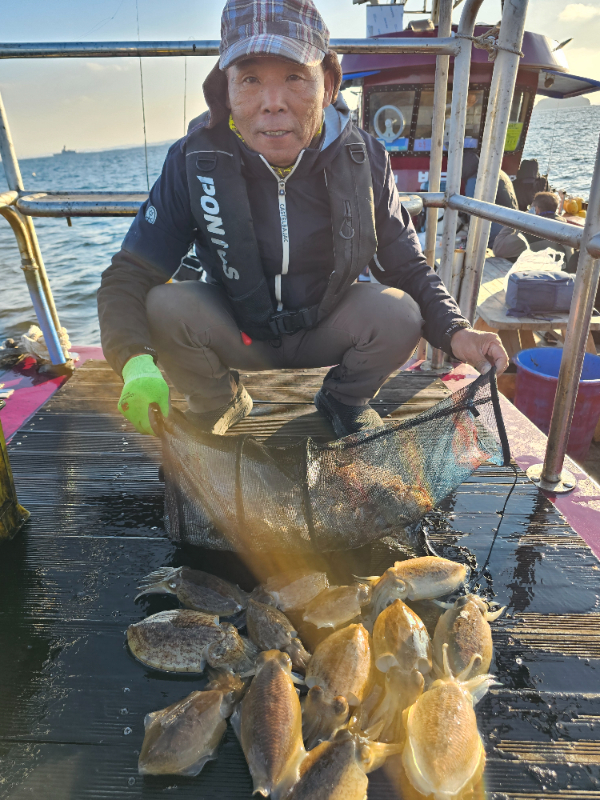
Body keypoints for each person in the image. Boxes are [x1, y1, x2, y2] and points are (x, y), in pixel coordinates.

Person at [97, 0, 508, 440]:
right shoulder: (192, 159)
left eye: (295, 77)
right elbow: (129, 274)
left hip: (326, 327)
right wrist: (135, 363)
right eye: (250, 79)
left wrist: (457, 331)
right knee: (162, 304)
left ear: (328, 84)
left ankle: (345, 398)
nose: (273, 103)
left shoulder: (366, 158)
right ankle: (217, 399)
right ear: (224, 90)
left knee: (400, 313)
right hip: (237, 329)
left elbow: (407, 266)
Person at [492, 191, 569, 262]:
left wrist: (515, 220)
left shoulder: (531, 230)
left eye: (531, 207)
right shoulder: (564, 225)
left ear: (536, 209)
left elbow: (498, 249)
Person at [462, 152, 519, 246]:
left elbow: (471, 210)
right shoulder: (499, 173)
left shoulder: (475, 180)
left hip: (494, 234)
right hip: (511, 226)